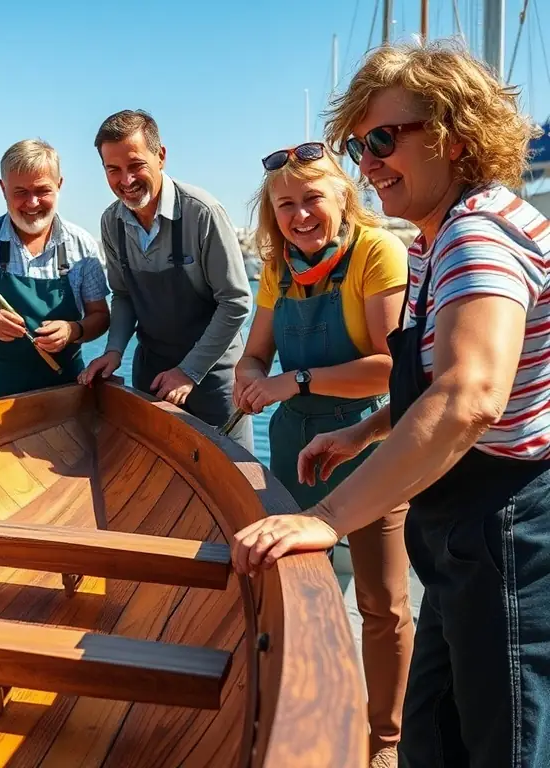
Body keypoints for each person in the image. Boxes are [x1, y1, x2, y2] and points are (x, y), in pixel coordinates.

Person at [232, 41, 550, 768]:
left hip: (500, 533)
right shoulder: (444, 236)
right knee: (434, 735)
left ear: (454, 135)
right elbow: (435, 380)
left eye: (382, 140)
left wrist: (324, 520)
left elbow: (470, 396)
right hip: (459, 534)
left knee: (500, 743)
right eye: (358, 144)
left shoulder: (476, 238)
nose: (368, 162)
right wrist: (368, 430)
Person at [233, 142, 412, 767]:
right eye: (286, 204)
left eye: (313, 198)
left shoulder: (378, 252)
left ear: (344, 198)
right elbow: (255, 352)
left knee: (382, 601)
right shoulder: (279, 268)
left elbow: (392, 370)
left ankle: (384, 741)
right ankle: (301, 714)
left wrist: (296, 380)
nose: (300, 215)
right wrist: (251, 376)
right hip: (294, 444)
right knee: (301, 587)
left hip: (366, 442)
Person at [79, 110, 254, 451]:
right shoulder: (111, 222)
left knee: (230, 483)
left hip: (214, 378)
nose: (126, 180)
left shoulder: (202, 212)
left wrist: (189, 372)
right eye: (113, 170)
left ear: (160, 156)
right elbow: (124, 295)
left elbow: (236, 302)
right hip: (153, 374)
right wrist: (114, 351)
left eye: (135, 165)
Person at [0, 139, 110, 402]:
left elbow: (101, 316)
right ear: (3, 188)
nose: (32, 202)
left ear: (59, 185)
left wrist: (73, 331)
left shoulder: (83, 245)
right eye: (20, 192)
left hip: (64, 392)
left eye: (42, 190)